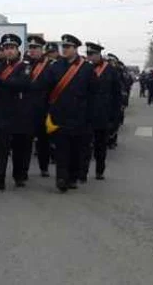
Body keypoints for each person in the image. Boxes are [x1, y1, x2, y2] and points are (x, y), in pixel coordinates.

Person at [43, 34, 95, 193]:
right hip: (60, 114)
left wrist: (90, 116)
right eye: (63, 47)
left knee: (76, 149)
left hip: (79, 115)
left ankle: (73, 177)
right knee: (61, 149)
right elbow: (48, 89)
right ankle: (61, 178)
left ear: (75, 49)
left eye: (68, 47)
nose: (64, 50)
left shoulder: (86, 68)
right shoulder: (55, 66)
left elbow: (92, 93)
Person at [0, 34, 33, 190]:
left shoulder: (25, 66)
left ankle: (19, 176)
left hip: (19, 114)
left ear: (17, 50)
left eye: (12, 48)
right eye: (6, 48)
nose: (9, 51)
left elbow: (22, 84)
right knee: (1, 149)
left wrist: (2, 82)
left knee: (19, 149)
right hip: (2, 113)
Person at [83, 42, 120, 181]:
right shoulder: (84, 69)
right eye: (88, 54)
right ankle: (83, 172)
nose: (90, 57)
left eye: (92, 54)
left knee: (100, 146)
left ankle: (99, 170)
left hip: (104, 114)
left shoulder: (110, 70)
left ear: (99, 55)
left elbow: (117, 95)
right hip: (87, 114)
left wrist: (115, 117)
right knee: (85, 146)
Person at [25, 35, 52, 178]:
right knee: (25, 142)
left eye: (36, 48)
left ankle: (44, 167)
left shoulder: (49, 65)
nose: (33, 51)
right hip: (26, 109)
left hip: (43, 108)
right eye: (31, 48)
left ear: (42, 49)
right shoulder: (24, 64)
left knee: (43, 142)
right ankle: (23, 170)